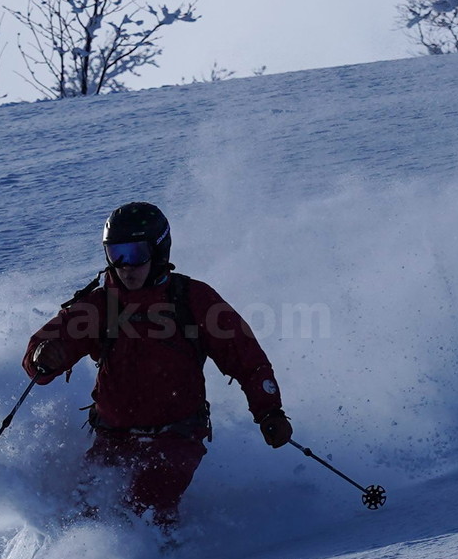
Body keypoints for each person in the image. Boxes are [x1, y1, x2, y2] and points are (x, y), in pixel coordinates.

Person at [22, 202, 293, 529]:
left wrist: (269, 411)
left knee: (144, 508)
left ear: (159, 250)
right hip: (114, 438)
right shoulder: (99, 305)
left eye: (135, 253)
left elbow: (246, 356)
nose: (125, 266)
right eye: (114, 253)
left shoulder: (191, 300)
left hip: (176, 437)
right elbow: (46, 345)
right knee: (82, 512)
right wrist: (45, 357)